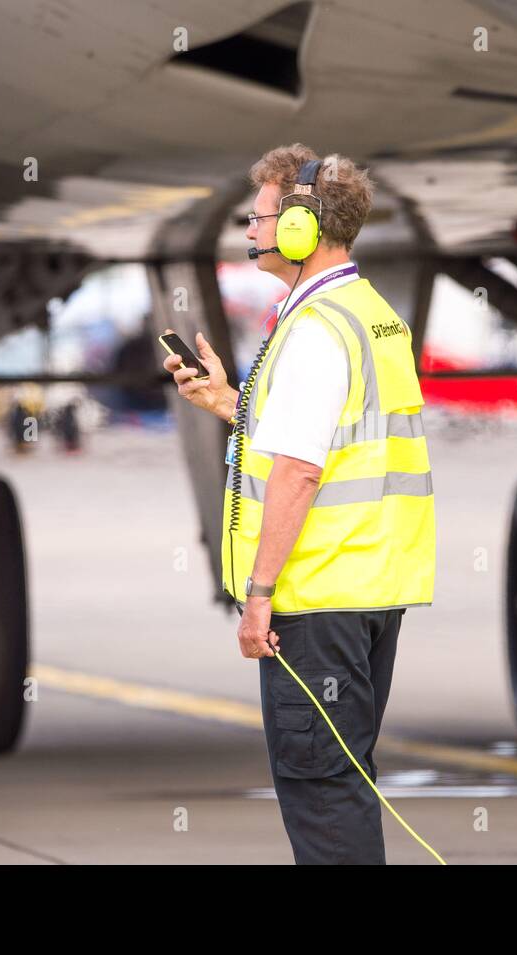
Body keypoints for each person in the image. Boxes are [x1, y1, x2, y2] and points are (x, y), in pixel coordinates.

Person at [163, 143, 435, 864]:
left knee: (322, 794)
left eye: (259, 220)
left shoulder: (315, 331)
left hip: (317, 601)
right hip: (368, 590)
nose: (250, 233)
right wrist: (226, 399)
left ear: (299, 229)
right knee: (343, 781)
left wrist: (257, 597)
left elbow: (300, 473)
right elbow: (327, 439)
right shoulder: (367, 313)